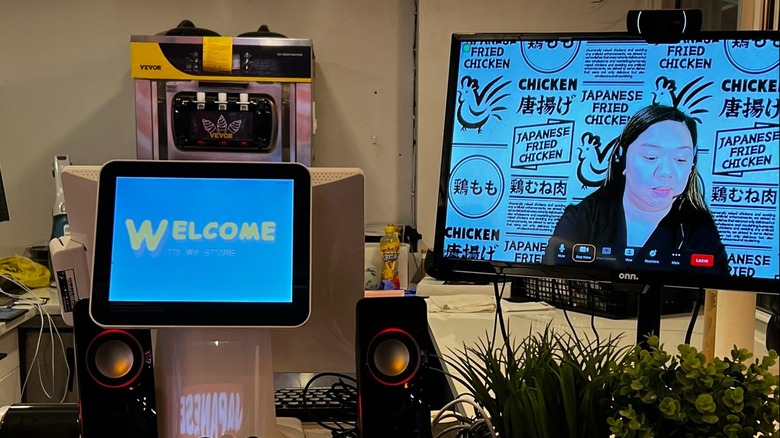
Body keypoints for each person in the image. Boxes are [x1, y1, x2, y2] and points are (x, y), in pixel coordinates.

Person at [544, 104, 729, 274]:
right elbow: (552, 280)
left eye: (680, 159)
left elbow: (717, 296)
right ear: (622, 156)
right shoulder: (583, 219)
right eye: (651, 157)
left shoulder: (700, 231)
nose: (666, 172)